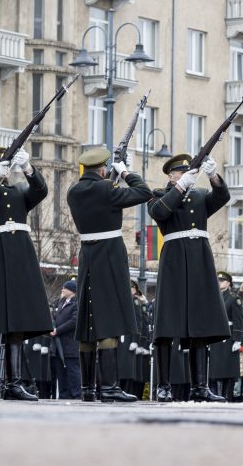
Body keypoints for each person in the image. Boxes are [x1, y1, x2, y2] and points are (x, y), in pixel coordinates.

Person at [0, 146, 52, 401]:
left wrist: (28, 169)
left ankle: (15, 383)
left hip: (19, 259)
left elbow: (41, 191)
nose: (1, 170)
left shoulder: (17, 192)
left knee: (16, 325)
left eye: (4, 165)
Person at [66, 147, 152, 402]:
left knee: (89, 320)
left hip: (87, 257)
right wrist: (125, 172)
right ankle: (110, 387)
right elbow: (144, 192)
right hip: (110, 256)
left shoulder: (74, 191)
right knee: (110, 320)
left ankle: (88, 389)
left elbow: (101, 202)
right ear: (103, 169)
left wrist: (111, 180)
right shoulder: (107, 189)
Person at [148, 153, 230, 403]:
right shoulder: (160, 195)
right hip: (174, 259)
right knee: (166, 325)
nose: (185, 176)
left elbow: (222, 197)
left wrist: (214, 176)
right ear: (171, 176)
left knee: (200, 325)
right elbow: (160, 213)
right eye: (180, 173)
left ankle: (200, 386)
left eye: (188, 172)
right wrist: (181, 186)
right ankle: (163, 385)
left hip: (199, 260)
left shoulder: (200, 195)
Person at [208, 272, 243, 401]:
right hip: (216, 337)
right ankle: (218, 395)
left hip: (228, 338)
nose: (219, 283)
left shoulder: (233, 298)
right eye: (218, 280)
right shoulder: (214, 297)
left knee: (227, 370)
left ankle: (227, 397)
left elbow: (239, 320)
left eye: (222, 280)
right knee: (216, 370)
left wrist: (238, 340)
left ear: (228, 283)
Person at [51, 280, 80, 399]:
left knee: (73, 371)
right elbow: (56, 318)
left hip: (69, 343)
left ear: (72, 291)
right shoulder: (61, 302)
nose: (62, 290)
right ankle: (64, 395)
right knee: (60, 372)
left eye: (65, 288)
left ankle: (77, 395)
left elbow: (74, 321)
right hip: (58, 344)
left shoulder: (76, 304)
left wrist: (58, 330)